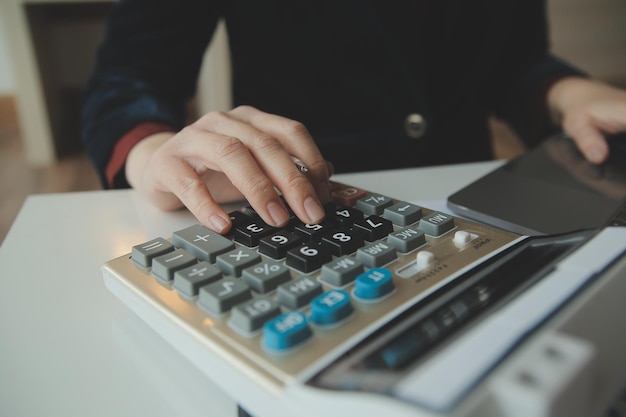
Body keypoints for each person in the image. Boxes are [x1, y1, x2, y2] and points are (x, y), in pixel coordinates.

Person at [82, 0, 626, 234]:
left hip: (475, 200)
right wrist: (154, 156)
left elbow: (508, 59)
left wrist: (568, 91)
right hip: (291, 201)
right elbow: (130, 74)